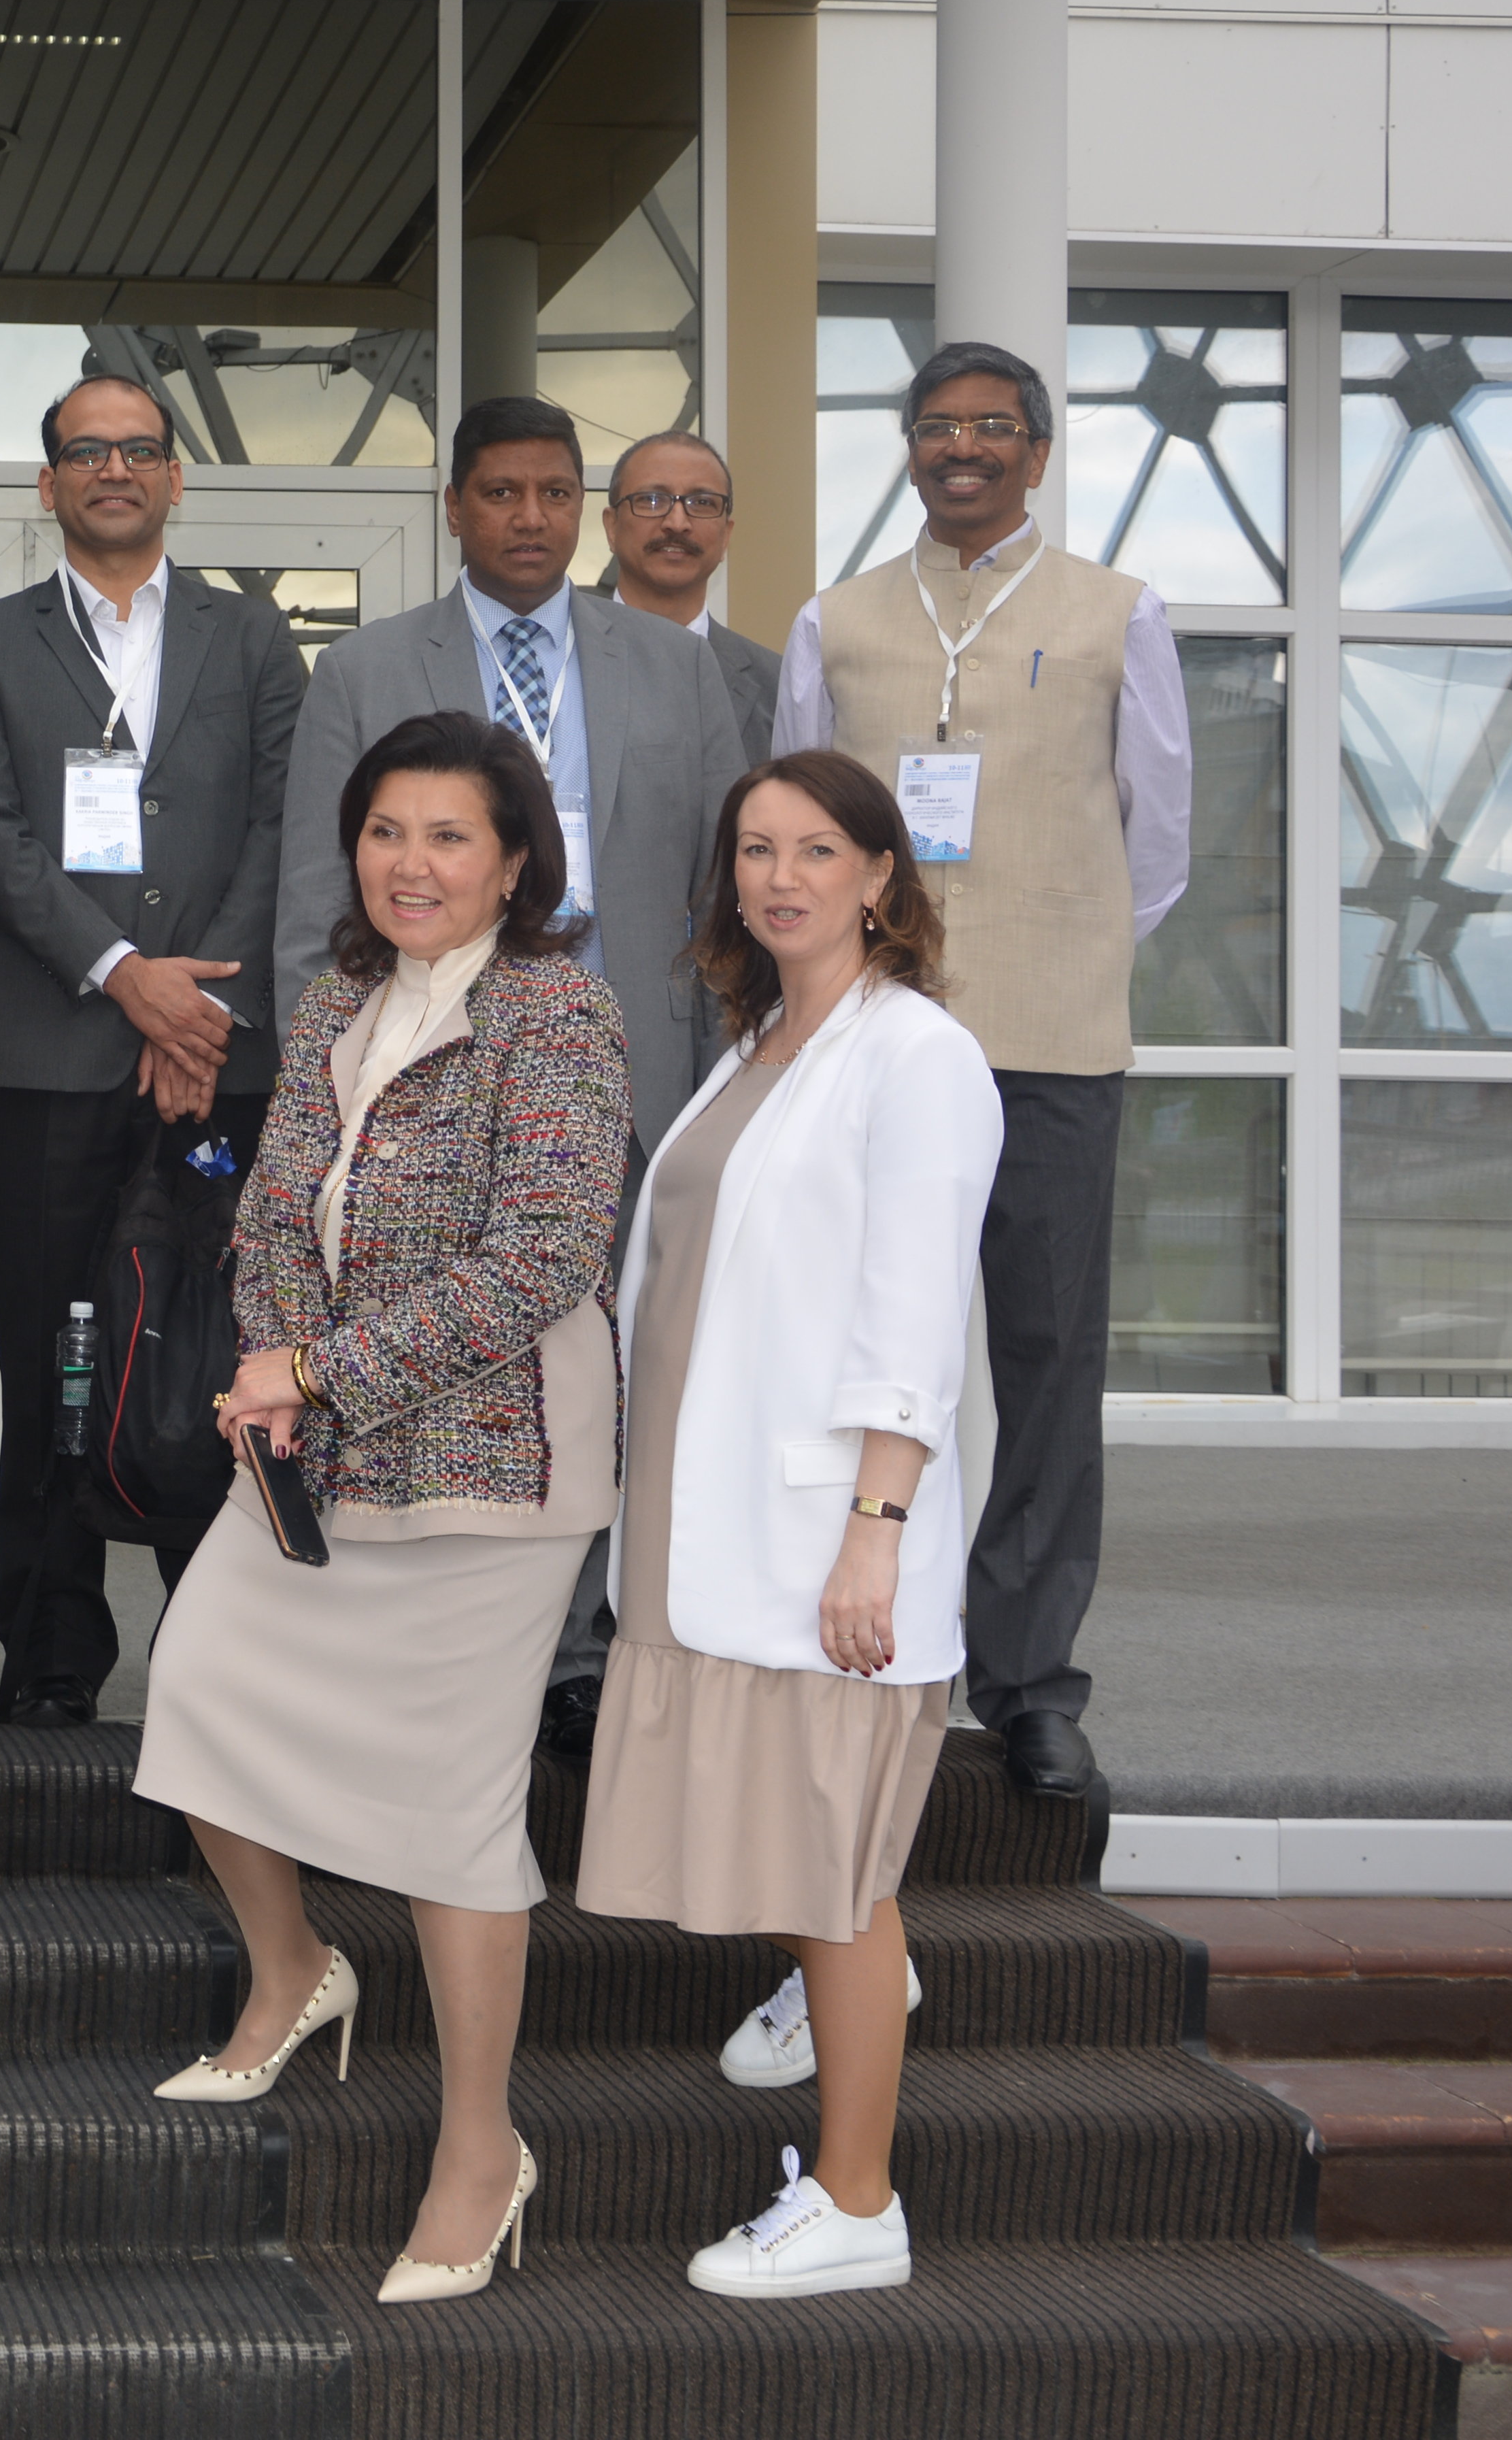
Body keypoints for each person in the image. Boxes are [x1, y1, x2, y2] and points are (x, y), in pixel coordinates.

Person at [136, 709, 629, 2308]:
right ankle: (295, 1968)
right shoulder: (342, 996)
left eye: (448, 835)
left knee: (453, 1813)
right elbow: (279, 1204)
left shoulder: (560, 1010)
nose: (410, 863)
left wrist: (316, 1368)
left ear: (515, 860)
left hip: (495, 1469)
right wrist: (277, 1360)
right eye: (384, 830)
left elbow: (546, 1254)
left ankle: (482, 2147)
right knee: (196, 1689)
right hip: (321, 1455)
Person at [575, 748, 1003, 2301]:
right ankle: (837, 1989)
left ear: (882, 875)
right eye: (756, 849)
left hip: (828, 1534)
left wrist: (876, 1529)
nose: (781, 877)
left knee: (834, 1875)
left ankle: (858, 2198)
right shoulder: (760, 1042)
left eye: (819, 849)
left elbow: (914, 1315)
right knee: (799, 1853)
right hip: (714, 1523)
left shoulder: (918, 1056)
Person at [276, 394, 752, 1761]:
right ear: (456, 509)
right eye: (501, 492)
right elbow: (318, 893)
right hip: (436, 1063)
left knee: (622, 1360)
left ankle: (590, 1649)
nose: (529, 517)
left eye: (553, 492)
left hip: (643, 1064)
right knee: (444, 1347)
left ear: (581, 508)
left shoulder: (674, 668)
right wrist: (328, 1080)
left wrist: (735, 1066)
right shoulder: (366, 667)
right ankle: (434, 1635)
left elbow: (727, 888)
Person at [774, 339, 1191, 1803]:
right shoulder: (836, 620)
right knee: (848, 1344)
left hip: (1052, 1044)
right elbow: (795, 828)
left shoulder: (1119, 613)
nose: (964, 447)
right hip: (870, 1041)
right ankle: (835, 1639)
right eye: (939, 424)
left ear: (1038, 451)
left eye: (993, 426)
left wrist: (1053, 943)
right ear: (908, 447)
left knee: (1046, 1362)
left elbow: (1157, 841)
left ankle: (1029, 1683)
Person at [0, 371, 301, 1728]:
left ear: (173, 477)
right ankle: (50, 1660)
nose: (114, 469)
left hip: (220, 1065)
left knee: (212, 1354)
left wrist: (198, 1012)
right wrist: (122, 975)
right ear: (48, 483)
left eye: (138, 448)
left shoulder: (252, 635)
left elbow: (283, 824)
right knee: (51, 1358)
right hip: (48, 1065)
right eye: (86, 451)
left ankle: (214, 1661)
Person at [601, 431, 777, 758]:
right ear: (612, 527)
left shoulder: (776, 684)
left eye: (702, 503)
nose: (677, 523)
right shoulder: (561, 659)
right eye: (652, 500)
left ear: (726, 537)